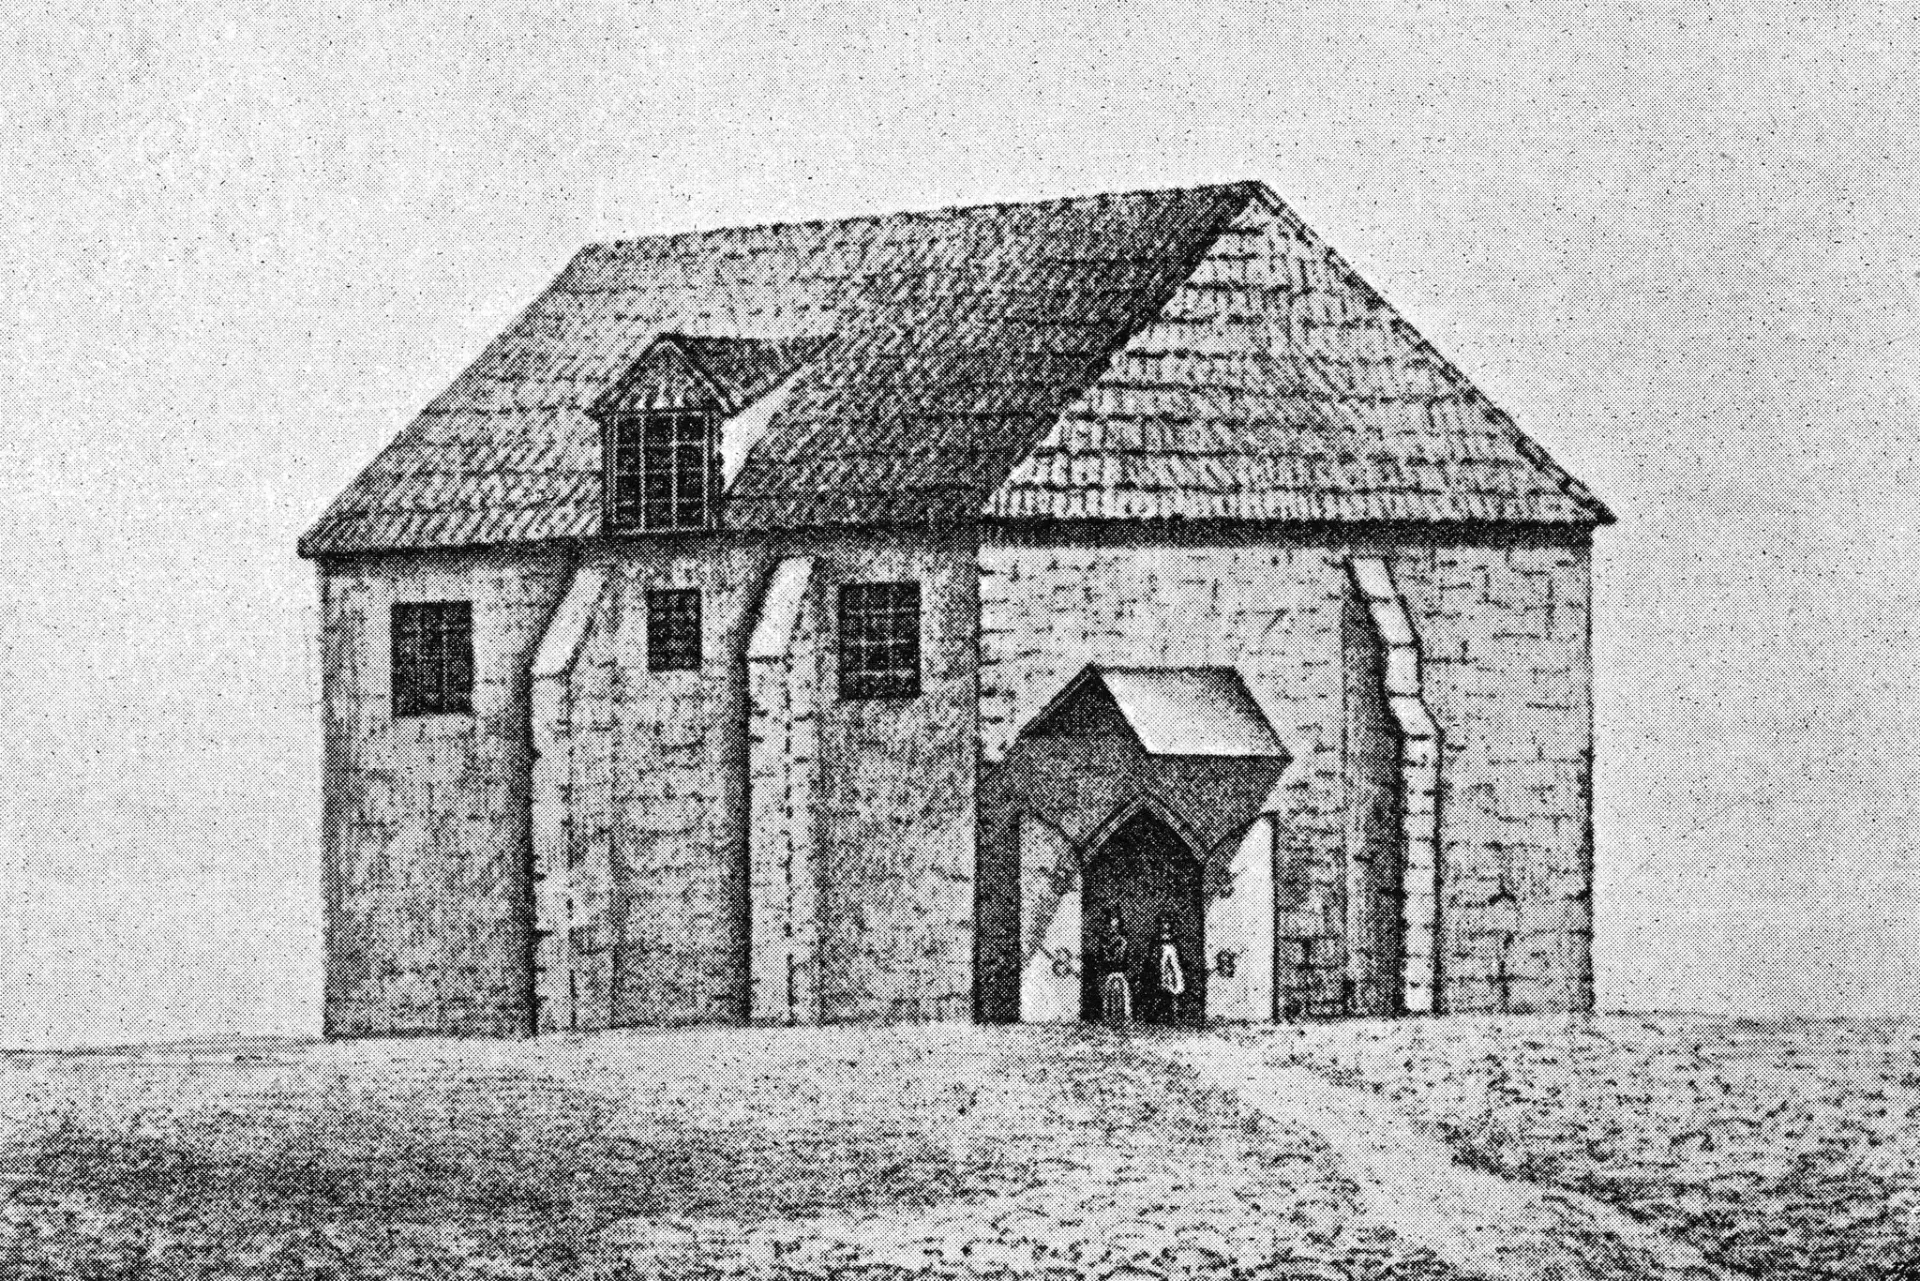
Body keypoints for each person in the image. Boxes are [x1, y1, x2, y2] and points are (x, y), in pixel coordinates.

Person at [1097, 911, 1132, 1027]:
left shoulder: (1122, 940)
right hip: (1110, 972)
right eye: (1111, 925)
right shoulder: (1105, 941)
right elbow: (1103, 958)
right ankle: (1109, 1019)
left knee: (1122, 996)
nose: (1113, 928)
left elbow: (1121, 957)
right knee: (1108, 996)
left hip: (1119, 972)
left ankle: (1124, 1019)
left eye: (1115, 925)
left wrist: (1110, 952)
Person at [1155, 916, 1187, 1024]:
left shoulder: (1173, 940)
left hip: (1173, 966)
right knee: (1164, 991)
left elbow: (1176, 957)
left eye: (1167, 923)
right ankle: (1164, 1015)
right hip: (1163, 966)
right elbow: (1157, 956)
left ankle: (1175, 1016)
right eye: (1163, 923)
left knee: (1175, 991)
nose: (1165, 925)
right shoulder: (1158, 940)